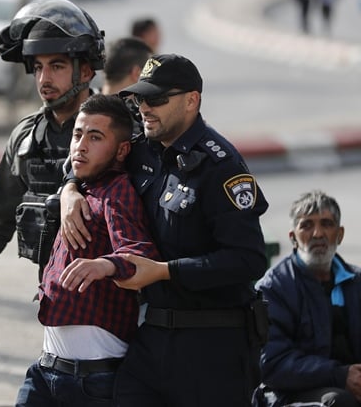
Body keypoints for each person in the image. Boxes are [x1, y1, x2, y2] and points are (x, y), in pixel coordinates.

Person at [60, 53, 270, 406]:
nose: (144, 108)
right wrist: (69, 189)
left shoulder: (221, 166)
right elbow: (88, 156)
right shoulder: (142, 149)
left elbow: (248, 260)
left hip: (212, 345)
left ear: (191, 101)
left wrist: (163, 272)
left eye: (156, 99)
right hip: (151, 338)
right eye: (141, 98)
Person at [0, 0, 106, 326]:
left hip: (121, 305)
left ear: (85, 70)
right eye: (38, 67)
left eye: (57, 66)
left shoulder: (120, 130)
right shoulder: (25, 139)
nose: (45, 78)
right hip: (57, 304)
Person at [15, 94, 159, 406]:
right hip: (46, 370)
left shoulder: (117, 190)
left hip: (91, 382)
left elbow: (140, 253)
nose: (80, 145)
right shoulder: (82, 186)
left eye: (95, 137)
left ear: (122, 150)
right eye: (78, 134)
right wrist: (68, 188)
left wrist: (105, 265)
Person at [252, 190, 361, 407]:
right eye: (307, 225)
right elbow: (271, 364)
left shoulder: (356, 282)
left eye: (327, 224)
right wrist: (339, 375)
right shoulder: (274, 287)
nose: (318, 233)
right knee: (339, 402)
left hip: (349, 382)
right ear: (293, 237)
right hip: (288, 395)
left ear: (339, 235)